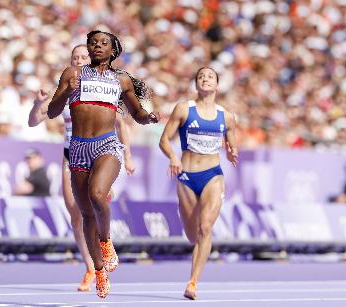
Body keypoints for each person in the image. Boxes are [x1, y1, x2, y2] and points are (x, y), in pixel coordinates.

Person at [46, 30, 159, 298]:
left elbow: (137, 113)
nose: (97, 46)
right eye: (93, 43)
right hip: (78, 148)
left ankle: (107, 243)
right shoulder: (72, 75)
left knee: (98, 194)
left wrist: (150, 117)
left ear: (113, 50)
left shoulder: (121, 81)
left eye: (103, 43)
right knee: (86, 215)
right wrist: (66, 93)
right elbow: (52, 111)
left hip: (106, 145)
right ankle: (99, 270)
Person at [28, 44, 135, 292]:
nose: (78, 60)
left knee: (96, 202)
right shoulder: (65, 89)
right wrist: (37, 104)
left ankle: (105, 246)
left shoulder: (101, 88)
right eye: (75, 57)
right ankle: (92, 268)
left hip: (99, 153)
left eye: (83, 57)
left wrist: (127, 155)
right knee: (76, 215)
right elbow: (34, 121)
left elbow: (121, 124)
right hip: (71, 155)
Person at [159, 67, 238, 300]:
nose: (205, 79)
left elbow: (232, 144)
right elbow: (164, 140)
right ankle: (196, 249)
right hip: (186, 176)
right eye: (201, 77)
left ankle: (193, 282)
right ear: (196, 85)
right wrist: (173, 156)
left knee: (206, 228)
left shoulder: (227, 116)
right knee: (193, 235)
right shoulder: (184, 109)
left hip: (213, 175)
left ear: (217, 85)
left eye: (210, 77)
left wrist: (233, 152)